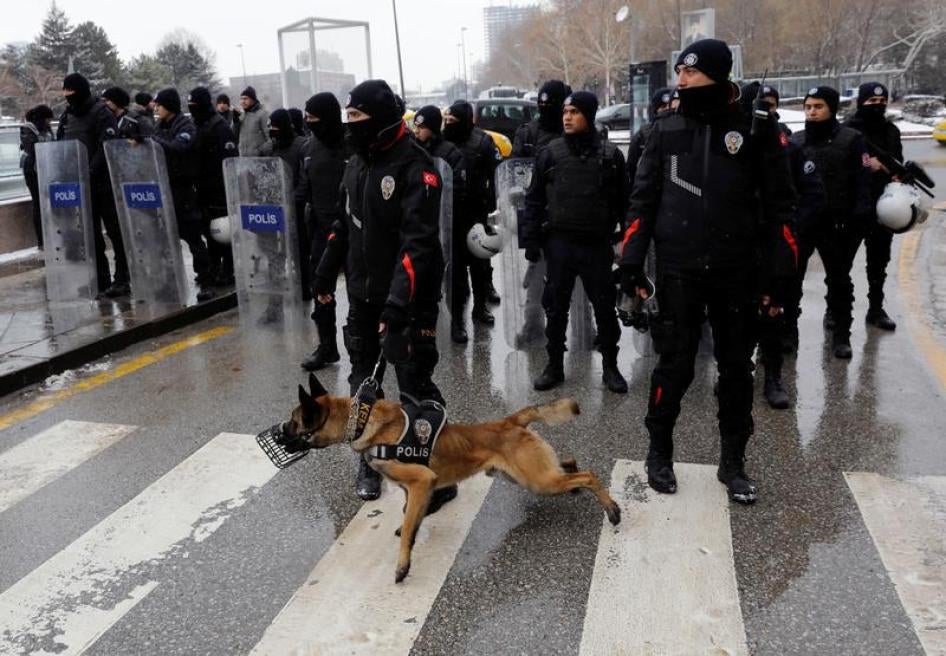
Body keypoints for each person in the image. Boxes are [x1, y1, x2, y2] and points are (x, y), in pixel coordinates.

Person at [619, 39, 797, 504]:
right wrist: (631, 262)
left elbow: (781, 210)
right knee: (673, 367)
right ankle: (659, 453)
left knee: (737, 369)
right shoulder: (665, 128)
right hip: (678, 270)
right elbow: (642, 201)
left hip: (737, 271)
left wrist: (779, 277)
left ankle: (733, 462)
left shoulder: (757, 128)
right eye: (679, 72)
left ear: (718, 75)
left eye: (691, 74)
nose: (681, 81)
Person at [312, 79, 448, 504]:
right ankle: (368, 461)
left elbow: (417, 245)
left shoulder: (416, 166)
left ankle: (436, 472)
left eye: (357, 116)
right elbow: (342, 223)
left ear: (380, 118)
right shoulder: (356, 162)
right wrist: (324, 272)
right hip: (364, 295)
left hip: (408, 301)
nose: (349, 124)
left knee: (415, 388)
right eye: (347, 117)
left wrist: (397, 304)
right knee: (362, 384)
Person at [523, 91, 629, 394]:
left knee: (605, 310)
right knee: (555, 309)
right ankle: (554, 365)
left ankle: (610, 366)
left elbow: (625, 203)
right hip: (560, 244)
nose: (567, 117)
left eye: (575, 112)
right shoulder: (550, 153)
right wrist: (532, 240)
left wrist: (625, 241)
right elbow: (534, 201)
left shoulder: (611, 156)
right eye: (565, 111)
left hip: (596, 245)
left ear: (590, 115)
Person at [789, 86, 873, 359]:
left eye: (819, 107)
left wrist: (858, 217)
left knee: (839, 282)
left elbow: (862, 182)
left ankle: (841, 337)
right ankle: (789, 333)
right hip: (803, 223)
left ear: (832, 109)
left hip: (838, 224)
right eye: (809, 107)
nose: (812, 112)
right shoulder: (796, 141)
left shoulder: (851, 139)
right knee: (791, 282)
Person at [56, 73, 130, 297]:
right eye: (66, 93)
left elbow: (107, 144)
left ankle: (122, 278)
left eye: (72, 93)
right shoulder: (67, 116)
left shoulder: (100, 112)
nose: (69, 98)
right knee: (90, 234)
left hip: (104, 184)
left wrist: (89, 171)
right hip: (79, 185)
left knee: (116, 234)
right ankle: (100, 279)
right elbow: (61, 144)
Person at [843, 82, 902, 331]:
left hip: (883, 204)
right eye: (871, 102)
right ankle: (836, 310)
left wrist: (893, 171)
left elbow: (898, 161)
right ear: (861, 102)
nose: (877, 106)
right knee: (841, 263)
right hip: (853, 204)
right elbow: (840, 163)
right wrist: (868, 163)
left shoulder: (891, 131)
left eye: (881, 102)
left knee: (878, 261)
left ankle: (876, 308)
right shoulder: (847, 131)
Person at [412, 105, 470, 343]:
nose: (417, 131)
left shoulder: (451, 152)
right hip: (421, 226)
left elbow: (459, 188)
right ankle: (424, 328)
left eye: (422, 127)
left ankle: (457, 322)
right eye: (416, 126)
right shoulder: (412, 152)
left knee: (454, 277)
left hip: (448, 225)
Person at [299, 93, 348, 371]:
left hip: (353, 231)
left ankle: (369, 349)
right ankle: (327, 347)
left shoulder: (354, 144)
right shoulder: (309, 148)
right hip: (320, 231)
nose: (309, 123)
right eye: (306, 117)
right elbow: (303, 188)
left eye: (313, 118)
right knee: (321, 290)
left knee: (361, 294)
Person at [150, 87, 214, 301]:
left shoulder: (185, 125)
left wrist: (152, 141)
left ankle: (206, 280)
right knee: (164, 239)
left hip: (183, 189)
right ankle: (168, 281)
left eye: (159, 104)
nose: (156, 108)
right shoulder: (159, 126)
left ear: (169, 106)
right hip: (162, 188)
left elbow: (178, 147)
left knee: (193, 237)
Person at [443, 100, 501, 329]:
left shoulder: (483, 142)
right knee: (456, 269)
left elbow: (496, 174)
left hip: (476, 212)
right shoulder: (444, 142)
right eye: (446, 120)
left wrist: (491, 203)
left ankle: (480, 307)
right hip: (452, 214)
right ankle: (457, 317)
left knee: (479, 264)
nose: (449, 124)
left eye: (453, 121)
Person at [187, 86, 238, 287]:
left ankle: (228, 270)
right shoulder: (197, 124)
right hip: (202, 188)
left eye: (195, 106)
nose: (192, 109)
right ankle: (214, 266)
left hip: (220, 189)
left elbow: (230, 160)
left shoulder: (220, 127)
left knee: (223, 232)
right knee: (209, 232)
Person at [267, 108, 310, 297]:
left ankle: (304, 288)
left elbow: (304, 181)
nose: (272, 130)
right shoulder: (271, 148)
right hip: (275, 211)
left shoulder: (302, 146)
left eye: (275, 126)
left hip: (296, 209)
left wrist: (292, 202)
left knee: (300, 251)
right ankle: (275, 298)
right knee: (275, 254)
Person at [20, 105, 55, 249]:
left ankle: (52, 235)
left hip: (47, 168)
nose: (49, 123)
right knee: (39, 203)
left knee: (49, 203)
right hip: (32, 169)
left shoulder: (47, 129)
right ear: (41, 118)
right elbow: (33, 148)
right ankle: (42, 241)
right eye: (47, 119)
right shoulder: (27, 128)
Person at [511, 79, 571, 158]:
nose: (545, 107)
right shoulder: (527, 133)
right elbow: (515, 163)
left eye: (550, 104)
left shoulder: (572, 132)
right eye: (541, 103)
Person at [626, 87, 673, 186]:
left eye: (671, 106)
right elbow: (631, 167)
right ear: (656, 110)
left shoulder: (686, 131)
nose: (668, 110)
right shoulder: (643, 135)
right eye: (664, 107)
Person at [238, 86, 271, 156]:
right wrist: (235, 121)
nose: (243, 101)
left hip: (259, 161)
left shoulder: (262, 114)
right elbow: (233, 135)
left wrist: (260, 151)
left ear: (253, 100)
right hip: (243, 161)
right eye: (241, 99)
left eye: (245, 99)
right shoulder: (241, 115)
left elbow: (271, 138)